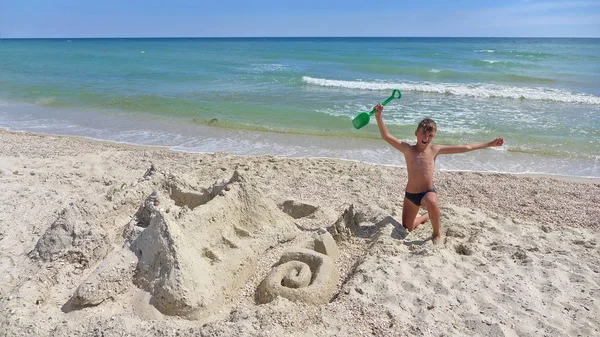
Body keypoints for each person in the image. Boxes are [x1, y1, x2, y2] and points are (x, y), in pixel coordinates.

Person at [373, 103, 504, 244]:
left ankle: (436, 234)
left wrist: (489, 143)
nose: (426, 138)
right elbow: (386, 136)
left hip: (427, 193)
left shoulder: (435, 150)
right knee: (407, 228)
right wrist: (378, 116)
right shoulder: (408, 149)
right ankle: (424, 217)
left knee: (431, 201)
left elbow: (466, 147)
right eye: (423, 133)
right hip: (410, 195)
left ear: (433, 137)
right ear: (416, 133)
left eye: (430, 135)